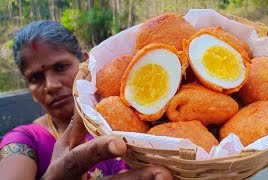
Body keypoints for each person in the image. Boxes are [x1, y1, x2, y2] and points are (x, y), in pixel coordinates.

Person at [0, 20, 172, 180]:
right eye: (35, 78)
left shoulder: (139, 115)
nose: (50, 86)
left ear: (86, 63)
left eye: (60, 67)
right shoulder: (23, 140)